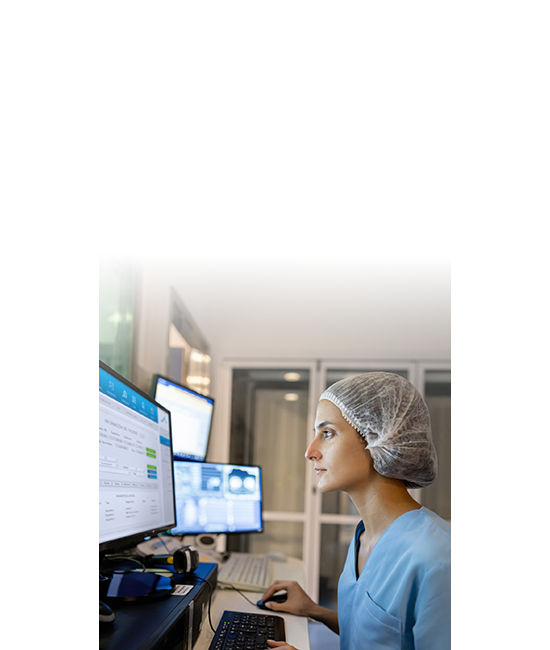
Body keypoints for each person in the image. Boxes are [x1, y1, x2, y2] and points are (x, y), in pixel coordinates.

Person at [261, 372, 450, 650]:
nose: (310, 451)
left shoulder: (437, 559)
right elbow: (377, 635)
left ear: (382, 437)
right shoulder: (365, 536)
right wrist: (315, 610)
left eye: (328, 433)